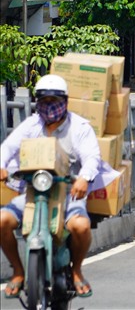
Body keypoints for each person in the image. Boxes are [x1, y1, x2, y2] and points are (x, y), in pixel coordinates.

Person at [0, 74, 111, 298]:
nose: (49, 107)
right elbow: (7, 147)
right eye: (44, 101)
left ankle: (77, 270)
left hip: (67, 192)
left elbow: (92, 157)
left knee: (81, 227)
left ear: (65, 102)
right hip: (32, 191)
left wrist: (83, 178)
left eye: (55, 101)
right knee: (2, 221)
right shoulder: (31, 125)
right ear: (37, 103)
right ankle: (19, 271)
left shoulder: (79, 127)